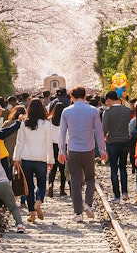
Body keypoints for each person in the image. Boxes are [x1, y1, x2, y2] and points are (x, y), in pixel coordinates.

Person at [58, 86, 107, 222]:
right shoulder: (93, 111)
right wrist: (102, 150)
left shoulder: (66, 111)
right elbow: (99, 131)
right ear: (85, 96)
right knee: (90, 178)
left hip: (73, 149)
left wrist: (61, 151)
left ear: (72, 97)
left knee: (75, 181)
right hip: (88, 149)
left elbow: (62, 133)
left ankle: (78, 213)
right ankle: (88, 204)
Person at [13, 98, 54, 223]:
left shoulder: (24, 123)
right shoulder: (46, 124)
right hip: (41, 158)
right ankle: (39, 201)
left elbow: (19, 142)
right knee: (41, 184)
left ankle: (32, 213)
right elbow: (49, 144)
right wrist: (50, 159)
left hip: (26, 158)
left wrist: (16, 158)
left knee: (28, 187)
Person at [102, 90, 131, 203]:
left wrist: (104, 139)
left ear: (109, 100)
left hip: (112, 141)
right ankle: (125, 193)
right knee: (123, 167)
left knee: (114, 169)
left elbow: (104, 129)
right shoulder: (126, 110)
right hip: (125, 141)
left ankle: (117, 196)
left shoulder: (108, 113)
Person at [48, 102, 67, 198]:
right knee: (63, 168)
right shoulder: (66, 120)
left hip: (52, 145)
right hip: (63, 145)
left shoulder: (50, 120)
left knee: (53, 167)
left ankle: (50, 183)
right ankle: (62, 189)